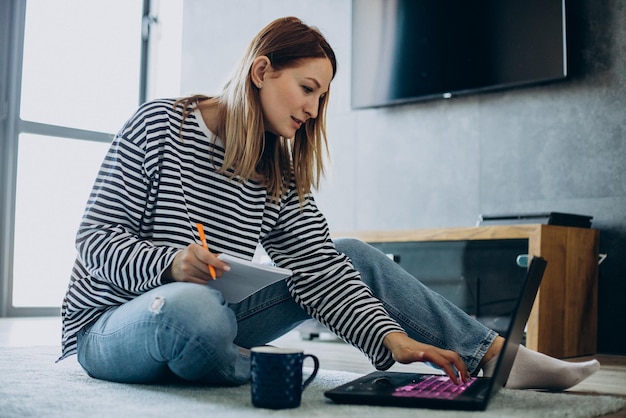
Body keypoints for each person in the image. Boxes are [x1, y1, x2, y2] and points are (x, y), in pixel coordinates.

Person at [59, 16, 599, 390]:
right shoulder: (160, 126)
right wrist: (169, 264)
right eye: (308, 89)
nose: (314, 110)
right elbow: (93, 244)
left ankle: (497, 358)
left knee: (348, 252)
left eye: (322, 97)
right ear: (262, 71)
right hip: (113, 325)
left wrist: (392, 339)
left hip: (215, 320)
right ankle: (240, 366)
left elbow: (321, 268)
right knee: (192, 309)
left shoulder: (278, 168)